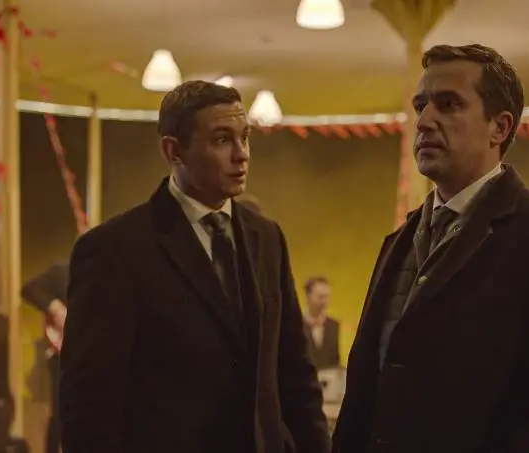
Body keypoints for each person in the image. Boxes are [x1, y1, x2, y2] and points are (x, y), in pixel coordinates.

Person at [332, 44, 529, 453]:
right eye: (420, 106)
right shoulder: (401, 240)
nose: (424, 121)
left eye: (449, 104)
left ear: (499, 127)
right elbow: (368, 392)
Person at [60, 80, 330, 453]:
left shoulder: (266, 238)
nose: (241, 154)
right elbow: (88, 406)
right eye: (221, 140)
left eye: (244, 137)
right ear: (174, 151)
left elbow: (294, 371)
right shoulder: (115, 250)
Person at [21, 263, 68, 453]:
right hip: (63, 358)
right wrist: (56, 308)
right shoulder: (63, 271)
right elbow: (29, 289)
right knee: (60, 415)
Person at [302, 276, 340, 369]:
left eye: (327, 296)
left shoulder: (334, 325)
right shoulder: (296, 325)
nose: (325, 301)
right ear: (308, 296)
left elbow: (334, 359)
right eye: (320, 297)